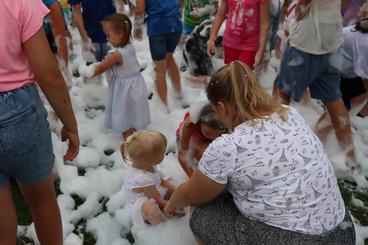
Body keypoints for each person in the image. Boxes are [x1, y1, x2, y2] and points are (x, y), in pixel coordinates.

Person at [164, 61, 355, 245]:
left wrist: (172, 204)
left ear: (221, 107)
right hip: (342, 231)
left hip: (292, 240)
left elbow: (192, 195)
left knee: (199, 212)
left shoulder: (229, 146)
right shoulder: (289, 113)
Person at [0, 0, 80, 244]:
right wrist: (70, 124)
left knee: (2, 221)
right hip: (18, 113)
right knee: (43, 200)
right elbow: (48, 75)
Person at [273, 0, 360, 170]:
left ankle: (276, 146)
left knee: (282, 93)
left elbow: (303, 5)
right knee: (334, 99)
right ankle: (351, 158)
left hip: (306, 41)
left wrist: (298, 14)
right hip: (332, 39)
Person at [84, 14, 150, 139]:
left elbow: (102, 67)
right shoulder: (129, 46)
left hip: (124, 90)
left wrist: (90, 72)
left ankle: (128, 140)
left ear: (120, 34)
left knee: (124, 114)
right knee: (133, 112)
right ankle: (135, 135)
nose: (107, 39)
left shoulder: (116, 55)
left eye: (109, 35)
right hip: (135, 86)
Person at [317, 16, 368, 138]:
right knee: (336, 112)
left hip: (345, 69)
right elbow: (366, 79)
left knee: (356, 101)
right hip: (328, 68)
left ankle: (349, 127)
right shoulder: (365, 44)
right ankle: (317, 137)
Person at [135, 0, 185, 112]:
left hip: (157, 27)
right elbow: (181, 3)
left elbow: (139, 9)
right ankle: (179, 94)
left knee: (160, 68)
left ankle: (164, 107)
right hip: (175, 25)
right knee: (169, 57)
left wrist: (137, 26)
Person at [122, 130, 178, 226]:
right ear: (151, 160)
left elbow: (160, 180)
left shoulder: (145, 165)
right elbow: (158, 200)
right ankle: (161, 223)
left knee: (169, 181)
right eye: (162, 152)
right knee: (151, 208)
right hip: (138, 203)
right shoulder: (143, 178)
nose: (165, 152)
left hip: (149, 190)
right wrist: (173, 205)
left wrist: (171, 187)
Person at [207, 0, 270, 69]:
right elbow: (220, 15)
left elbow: (264, 24)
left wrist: (261, 50)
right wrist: (211, 39)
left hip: (249, 46)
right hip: (229, 44)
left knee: (243, 77)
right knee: (231, 75)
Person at [176, 103, 226, 177]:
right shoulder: (190, 126)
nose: (213, 137)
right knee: (202, 152)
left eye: (218, 134)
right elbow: (182, 155)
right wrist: (192, 178)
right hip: (187, 138)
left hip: (202, 139)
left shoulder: (225, 125)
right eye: (208, 133)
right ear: (199, 124)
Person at [43, 0, 69, 66]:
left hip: (49, 30)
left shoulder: (50, 3)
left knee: (56, 52)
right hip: (44, 31)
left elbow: (61, 39)